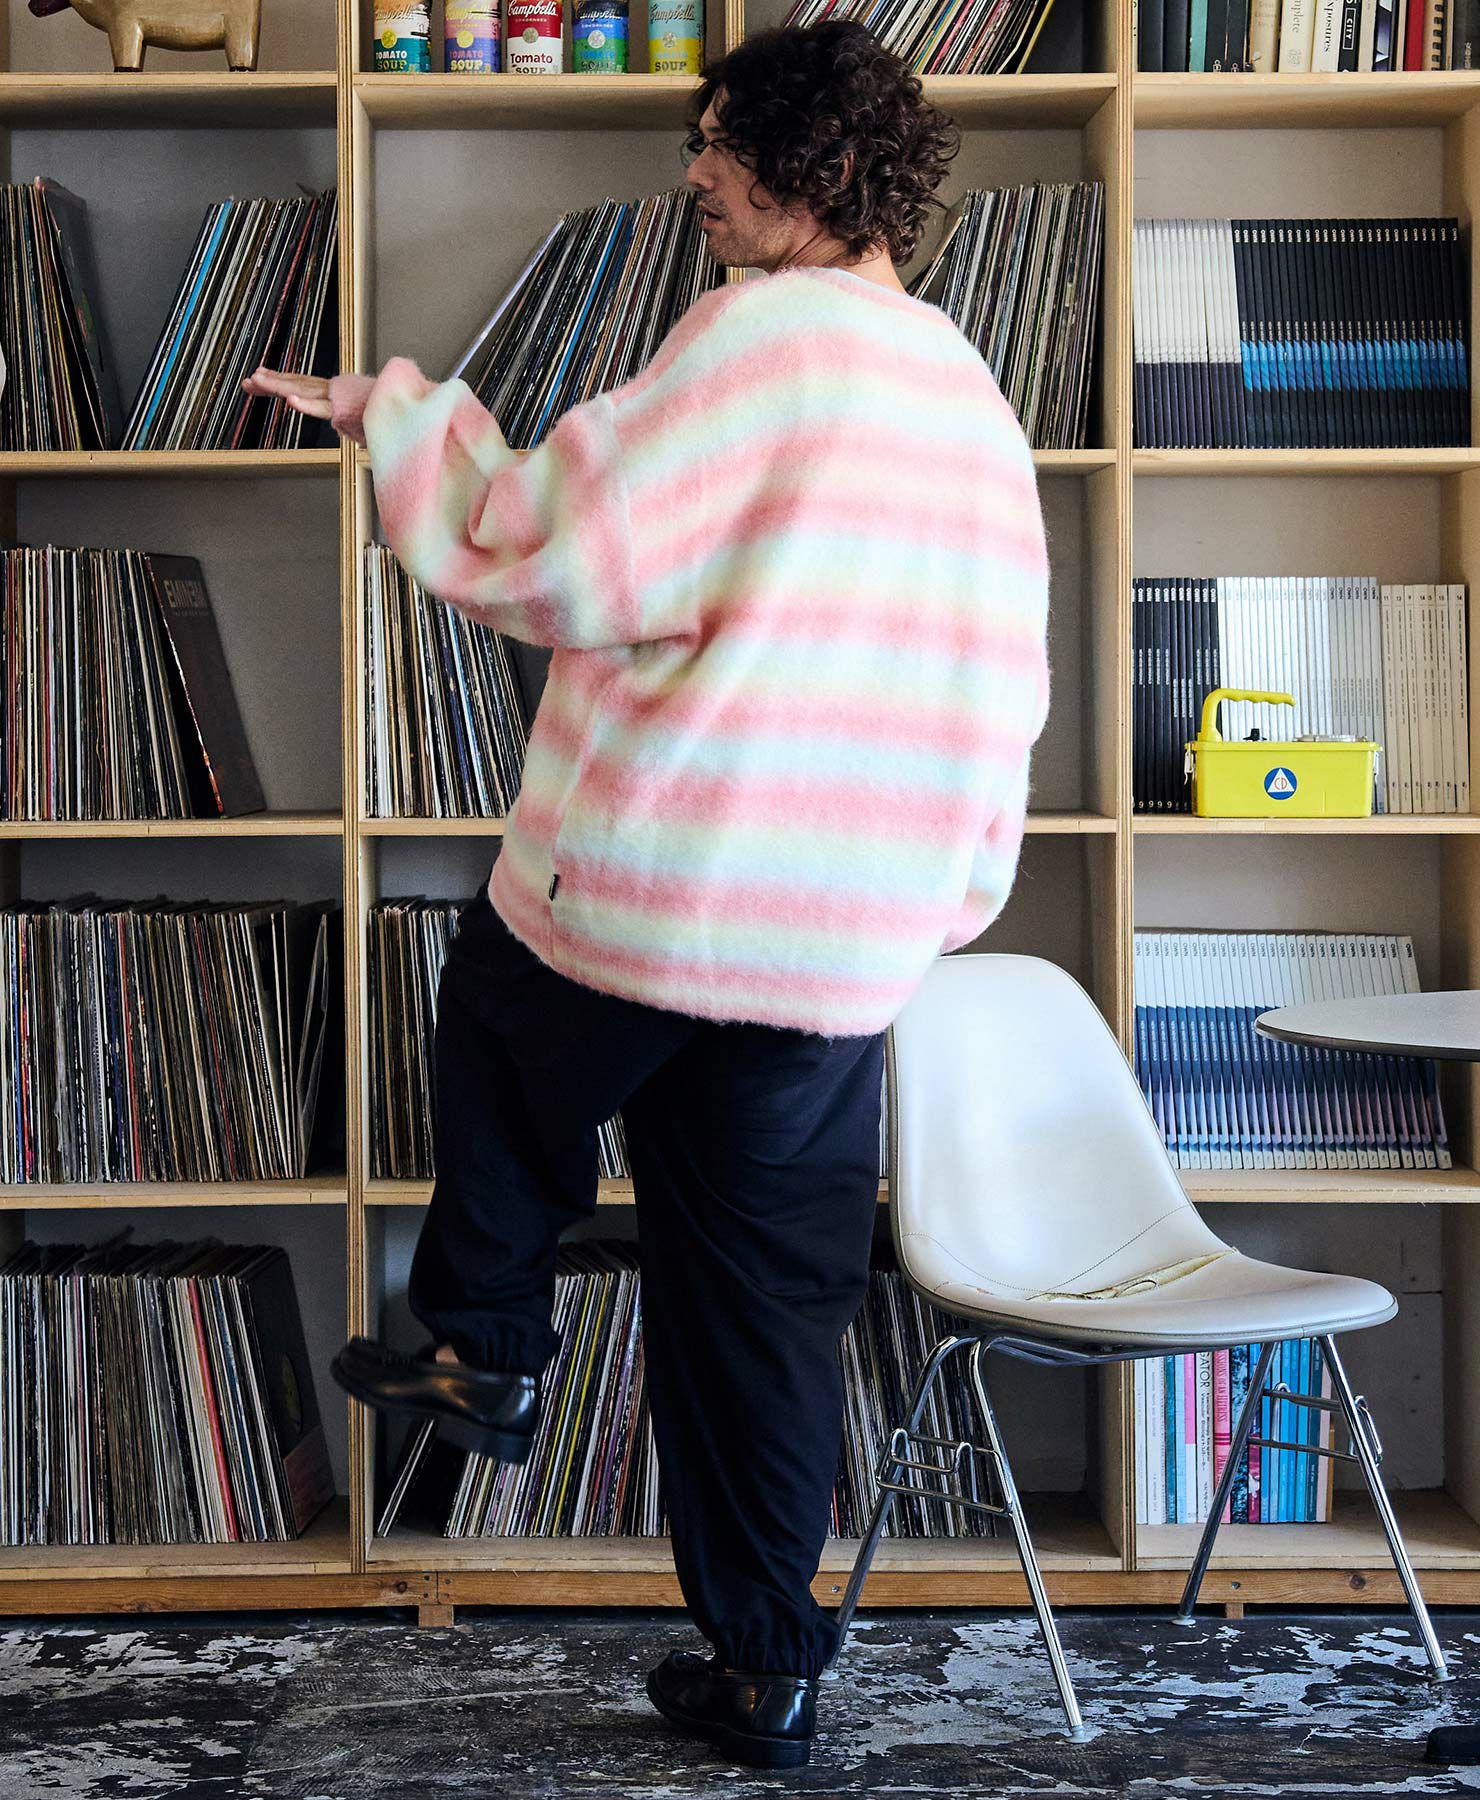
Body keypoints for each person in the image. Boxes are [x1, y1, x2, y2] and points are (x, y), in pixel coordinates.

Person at [244, 18, 1050, 1772]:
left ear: (818, 165)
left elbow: (556, 544)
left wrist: (396, 413)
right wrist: (940, 896)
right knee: (759, 1319)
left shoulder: (759, 339)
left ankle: (482, 1342)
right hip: (838, 952)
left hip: (666, 898)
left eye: (720, 143)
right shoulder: (970, 398)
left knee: (499, 1018)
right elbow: (1005, 682)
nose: (694, 173)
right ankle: (767, 1668)